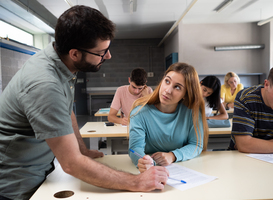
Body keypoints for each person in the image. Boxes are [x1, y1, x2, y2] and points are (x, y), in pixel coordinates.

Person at [0, 6, 169, 200]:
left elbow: (67, 110)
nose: (108, 56)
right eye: (101, 52)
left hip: (40, 170)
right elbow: (71, 164)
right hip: (16, 184)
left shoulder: (58, 61)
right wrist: (136, 182)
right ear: (75, 54)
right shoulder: (45, 84)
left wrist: (83, 150)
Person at [128, 62, 209, 173]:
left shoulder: (192, 112)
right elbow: (134, 148)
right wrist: (142, 161)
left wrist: (172, 156)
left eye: (177, 87)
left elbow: (196, 145)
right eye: (167, 81)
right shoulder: (139, 112)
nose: (167, 90)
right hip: (150, 169)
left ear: (185, 94)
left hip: (182, 169)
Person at [228, 68, 273, 153]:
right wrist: (247, 144)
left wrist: (254, 144)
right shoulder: (246, 98)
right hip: (241, 159)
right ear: (266, 84)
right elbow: (244, 144)